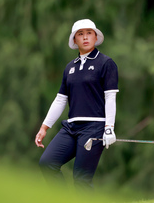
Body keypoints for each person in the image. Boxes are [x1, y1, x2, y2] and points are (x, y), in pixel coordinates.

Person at [35, 19, 119, 188]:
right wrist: (44, 127)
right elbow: (60, 100)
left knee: (81, 179)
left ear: (96, 37)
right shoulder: (69, 68)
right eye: (80, 34)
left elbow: (110, 97)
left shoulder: (106, 63)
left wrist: (109, 127)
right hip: (71, 127)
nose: (85, 37)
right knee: (47, 163)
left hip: (94, 127)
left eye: (89, 33)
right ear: (74, 40)